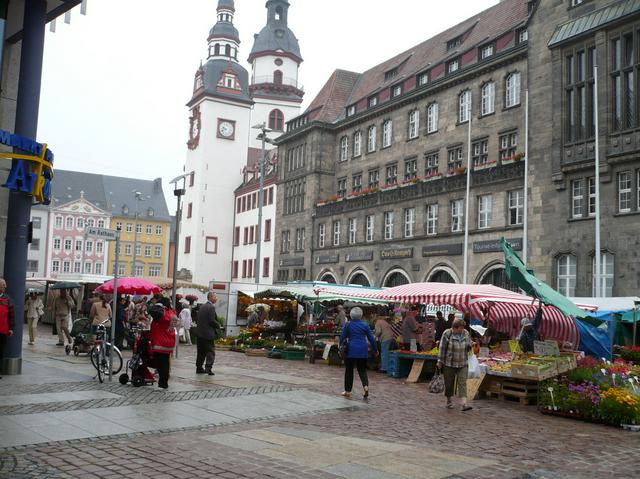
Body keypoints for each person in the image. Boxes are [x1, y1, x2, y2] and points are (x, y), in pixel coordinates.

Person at [340, 307, 378, 398]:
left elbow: (342, 337)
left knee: (349, 371)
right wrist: (375, 350)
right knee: (362, 370)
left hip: (351, 351)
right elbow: (371, 339)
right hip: (362, 350)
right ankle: (365, 386)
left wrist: (340, 347)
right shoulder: (365, 325)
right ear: (361, 316)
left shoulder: (348, 325)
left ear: (351, 316)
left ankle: (347, 391)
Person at [437, 318, 474, 411]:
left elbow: (468, 345)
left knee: (462, 383)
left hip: (462, 363)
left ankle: (464, 404)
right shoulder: (447, 333)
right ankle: (449, 400)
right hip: (449, 363)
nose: (462, 330)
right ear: (454, 327)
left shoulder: (466, 333)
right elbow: (442, 348)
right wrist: (440, 361)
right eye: (460, 328)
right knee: (449, 384)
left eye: (463, 328)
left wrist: (471, 345)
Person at [149, 298, 178, 389]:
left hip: (160, 342)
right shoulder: (172, 312)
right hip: (170, 341)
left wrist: (159, 305)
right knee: (166, 362)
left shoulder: (161, 313)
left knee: (160, 363)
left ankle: (162, 383)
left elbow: (151, 310)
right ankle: (164, 382)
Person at [196, 291, 221, 375]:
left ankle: (199, 368)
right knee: (210, 352)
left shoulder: (202, 306)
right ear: (210, 297)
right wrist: (219, 326)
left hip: (200, 334)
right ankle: (208, 368)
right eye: (215, 297)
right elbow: (211, 321)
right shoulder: (211, 307)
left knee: (201, 352)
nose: (216, 298)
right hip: (208, 334)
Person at [0, 279, 15, 378]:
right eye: (3, 285)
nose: (5, 287)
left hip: (3, 330)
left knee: (0, 351)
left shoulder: (7, 299)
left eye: (5, 285)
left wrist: (11, 328)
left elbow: (11, 315)